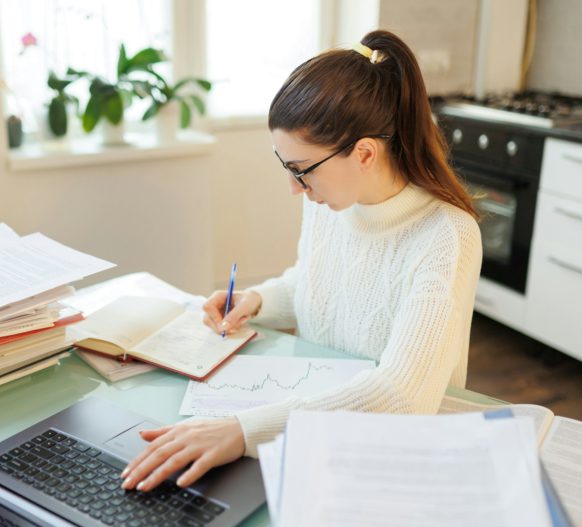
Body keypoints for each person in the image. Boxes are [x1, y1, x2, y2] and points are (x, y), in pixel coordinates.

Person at [120, 29, 482, 492]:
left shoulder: (445, 236)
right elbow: (311, 286)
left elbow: (401, 396)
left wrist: (240, 431)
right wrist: (255, 301)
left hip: (393, 460)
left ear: (365, 153)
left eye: (301, 170)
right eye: (285, 166)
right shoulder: (331, 201)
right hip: (314, 430)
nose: (294, 188)